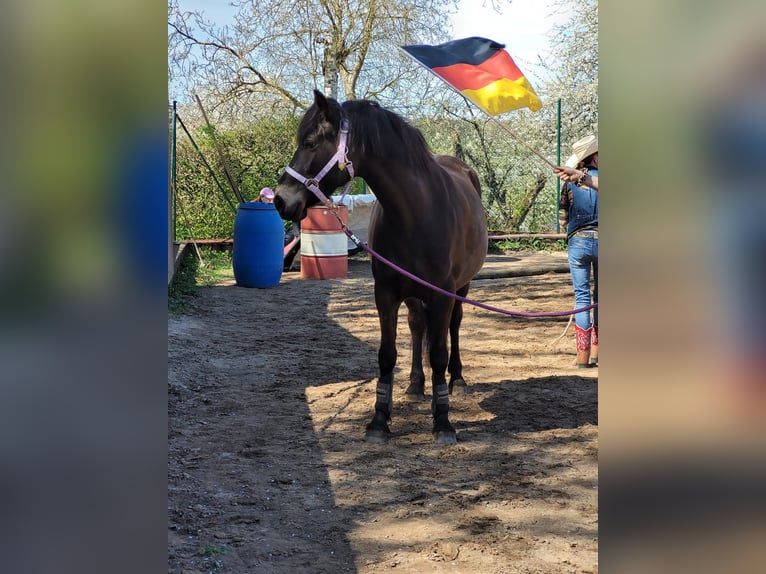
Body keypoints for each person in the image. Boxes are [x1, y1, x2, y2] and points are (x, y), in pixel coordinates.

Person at [555, 135, 598, 367]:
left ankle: (582, 357)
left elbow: (562, 220)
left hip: (578, 242)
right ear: (596, 157)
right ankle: (598, 352)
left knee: (582, 297)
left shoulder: (569, 183)